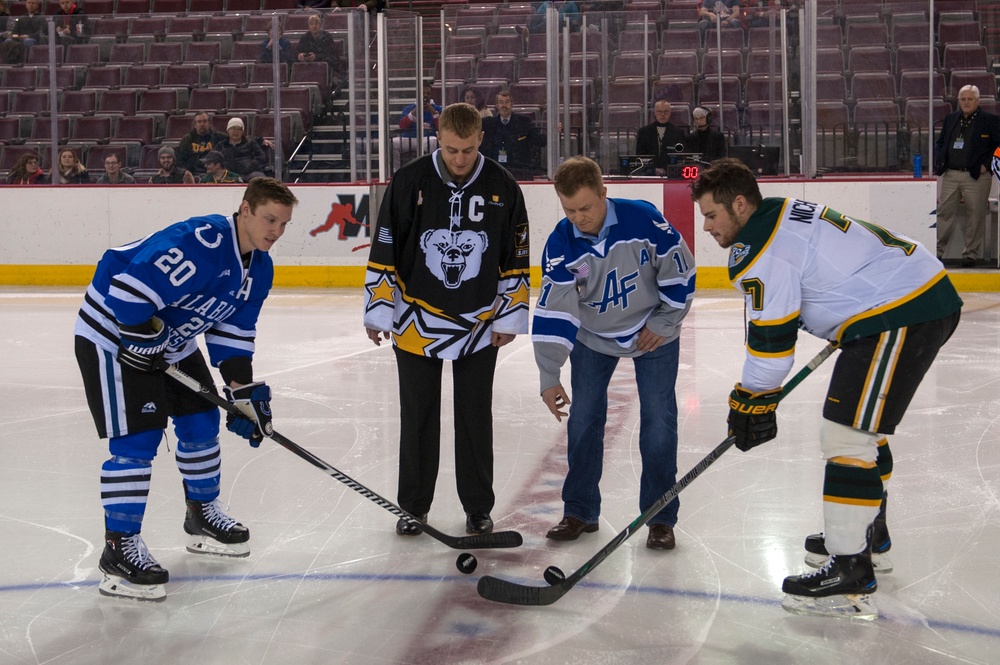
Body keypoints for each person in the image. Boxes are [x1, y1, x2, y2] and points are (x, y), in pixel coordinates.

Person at [691, 158, 962, 619]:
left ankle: (850, 566)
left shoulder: (760, 248)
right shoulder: (778, 212)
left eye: (712, 216)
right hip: (904, 300)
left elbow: (772, 341)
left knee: (847, 436)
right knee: (864, 433)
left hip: (898, 312)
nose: (708, 228)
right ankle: (865, 534)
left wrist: (752, 400)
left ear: (739, 204)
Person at [73, 177, 298, 601]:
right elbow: (126, 292)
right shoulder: (201, 241)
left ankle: (201, 516)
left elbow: (233, 336)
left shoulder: (260, 268)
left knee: (200, 419)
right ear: (245, 209)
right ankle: (118, 548)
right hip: (113, 332)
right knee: (137, 439)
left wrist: (242, 394)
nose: (275, 231)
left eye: (284, 224)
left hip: (169, 338)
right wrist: (141, 338)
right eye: (269, 219)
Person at [362, 102, 531, 538]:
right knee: (417, 415)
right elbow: (385, 245)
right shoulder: (409, 180)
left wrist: (508, 316)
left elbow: (516, 255)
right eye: (452, 149)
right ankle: (414, 506)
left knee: (476, 416)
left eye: (469, 150)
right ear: (439, 138)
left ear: (481, 140)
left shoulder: (504, 185)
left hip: (479, 322)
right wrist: (379, 307)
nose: (460, 159)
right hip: (415, 318)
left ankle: (478, 507)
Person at [532, 156, 695, 549]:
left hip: (651, 333)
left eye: (586, 208)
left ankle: (660, 517)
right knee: (584, 420)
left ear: (605, 194)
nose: (579, 218)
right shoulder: (561, 242)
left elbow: (682, 271)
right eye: (569, 210)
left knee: (659, 422)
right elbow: (554, 310)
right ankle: (580, 510)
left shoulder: (642, 219)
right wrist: (549, 374)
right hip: (592, 338)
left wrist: (664, 322)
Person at [934, 84, 1000, 267]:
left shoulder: (990, 121)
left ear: (977, 101)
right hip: (951, 175)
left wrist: (987, 166)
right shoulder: (951, 119)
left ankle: (970, 254)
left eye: (970, 99)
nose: (966, 102)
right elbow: (940, 143)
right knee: (944, 213)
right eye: (963, 99)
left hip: (976, 178)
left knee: (976, 216)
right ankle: (936, 252)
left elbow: (998, 147)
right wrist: (941, 161)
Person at [480, 91, 547, 180]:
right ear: (496, 105)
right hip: (494, 171)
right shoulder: (487, 124)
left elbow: (539, 141)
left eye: (507, 102)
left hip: (519, 172)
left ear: (512, 104)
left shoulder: (524, 122)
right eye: (501, 102)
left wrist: (555, 132)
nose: (504, 105)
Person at [391, 84, 441, 174]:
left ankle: (431, 171)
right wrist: (415, 111)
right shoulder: (409, 108)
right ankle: (396, 172)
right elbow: (402, 126)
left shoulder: (437, 108)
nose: (425, 96)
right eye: (423, 93)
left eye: (428, 93)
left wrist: (433, 112)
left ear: (431, 95)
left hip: (427, 139)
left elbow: (441, 127)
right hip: (409, 138)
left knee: (434, 141)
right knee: (393, 143)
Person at [635, 98, 687, 172]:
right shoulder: (644, 132)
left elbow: (681, 156)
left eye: (666, 111)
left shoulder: (678, 132)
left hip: (671, 173)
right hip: (649, 174)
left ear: (670, 113)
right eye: (659, 111)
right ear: (654, 113)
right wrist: (653, 170)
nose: (663, 114)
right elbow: (640, 156)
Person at [296, 13, 344, 84]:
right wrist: (299, 56)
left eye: (316, 24)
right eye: (311, 24)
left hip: (324, 71)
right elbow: (296, 53)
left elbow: (332, 57)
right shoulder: (304, 38)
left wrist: (316, 57)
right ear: (308, 26)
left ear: (320, 25)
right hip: (307, 70)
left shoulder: (327, 37)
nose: (314, 26)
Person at [177, 112, 228, 177]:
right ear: (195, 125)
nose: (202, 124)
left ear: (209, 123)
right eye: (199, 122)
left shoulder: (219, 137)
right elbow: (180, 161)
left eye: (205, 121)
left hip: (216, 175)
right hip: (194, 174)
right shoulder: (187, 140)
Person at [218, 117, 267, 181]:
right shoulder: (221, 145)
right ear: (228, 130)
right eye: (233, 128)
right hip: (227, 175)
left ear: (242, 131)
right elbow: (215, 159)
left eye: (239, 129)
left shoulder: (250, 142)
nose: (236, 131)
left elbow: (261, 156)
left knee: (261, 179)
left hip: (249, 174)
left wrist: (250, 166)